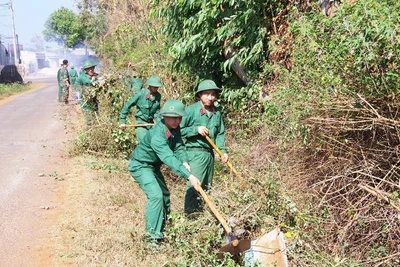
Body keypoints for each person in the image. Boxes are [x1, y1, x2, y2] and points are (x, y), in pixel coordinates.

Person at [128, 99, 201, 243]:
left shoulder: (175, 128)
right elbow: (168, 158)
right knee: (156, 196)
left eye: (179, 117)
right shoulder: (157, 135)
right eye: (173, 118)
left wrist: (185, 161)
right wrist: (189, 176)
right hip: (140, 165)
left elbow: (179, 146)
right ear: (164, 117)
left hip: (153, 166)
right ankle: (152, 237)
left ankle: (165, 226)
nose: (177, 121)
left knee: (165, 194)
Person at [180, 79, 229, 215]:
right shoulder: (190, 110)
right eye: (207, 94)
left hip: (209, 155)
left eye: (213, 94)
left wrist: (222, 152)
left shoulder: (216, 113)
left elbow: (219, 133)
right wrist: (195, 129)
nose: (210, 97)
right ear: (199, 95)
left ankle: (201, 218)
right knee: (195, 187)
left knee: (206, 189)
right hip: (195, 154)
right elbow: (178, 130)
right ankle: (189, 218)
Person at [119, 75, 162, 141]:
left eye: (157, 87)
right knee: (144, 143)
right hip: (140, 124)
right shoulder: (140, 94)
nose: (156, 88)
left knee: (154, 143)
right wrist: (123, 121)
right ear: (150, 86)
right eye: (154, 87)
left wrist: (159, 122)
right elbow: (127, 105)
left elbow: (157, 111)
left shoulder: (158, 96)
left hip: (150, 124)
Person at [75, 59, 102, 126]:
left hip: (94, 101)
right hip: (86, 103)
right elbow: (87, 82)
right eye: (88, 69)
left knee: (96, 118)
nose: (91, 70)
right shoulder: (82, 77)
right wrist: (97, 82)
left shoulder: (96, 75)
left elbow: (101, 79)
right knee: (89, 120)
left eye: (92, 68)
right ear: (85, 70)